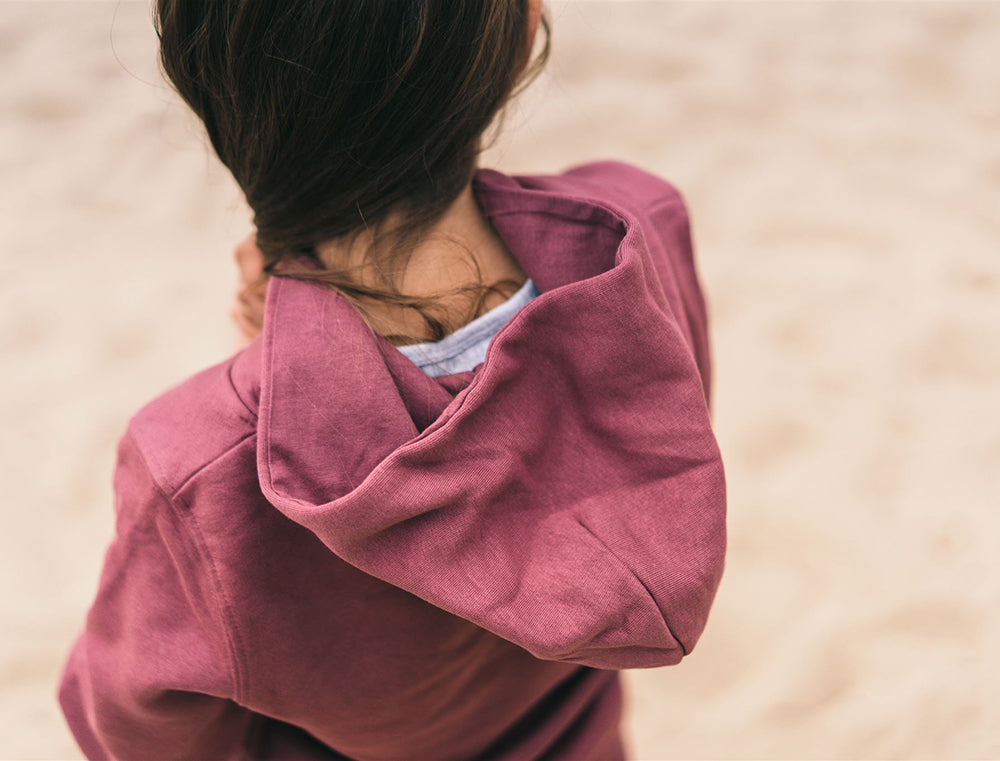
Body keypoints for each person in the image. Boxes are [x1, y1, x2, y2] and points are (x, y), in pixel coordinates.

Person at [56, 2, 728, 759]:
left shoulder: (195, 468)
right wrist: (295, 353)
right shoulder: (642, 236)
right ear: (520, 39)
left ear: (207, 89)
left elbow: (136, 729)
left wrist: (284, 372)